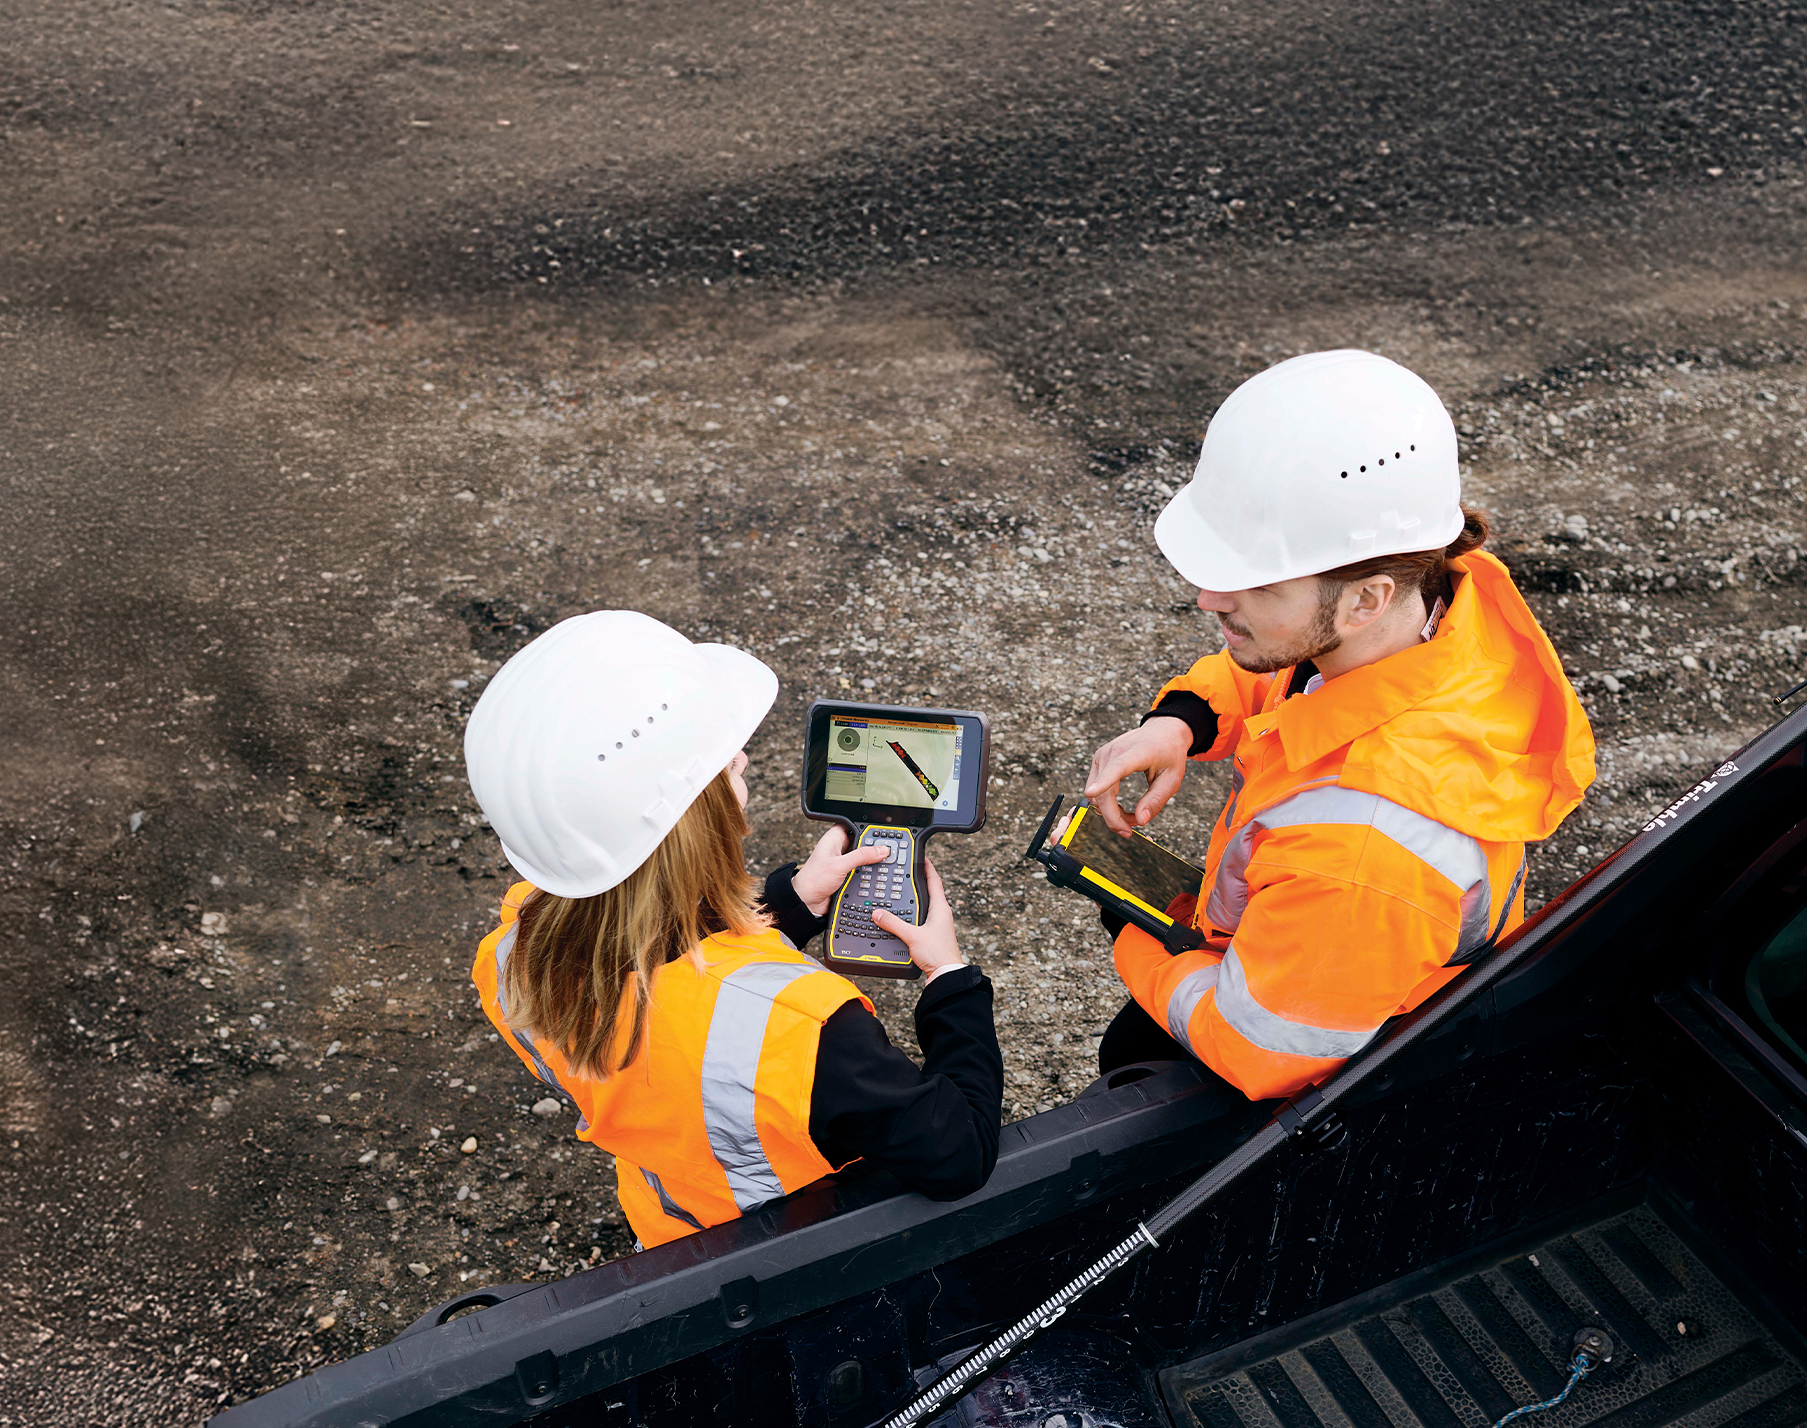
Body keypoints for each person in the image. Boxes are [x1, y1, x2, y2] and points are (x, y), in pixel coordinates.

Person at [1081, 350, 1597, 1101]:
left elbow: (1261, 1050)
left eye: (1256, 582)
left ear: (1366, 599)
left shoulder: (1364, 853)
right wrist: (1184, 722)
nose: (1208, 599)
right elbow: (1293, 685)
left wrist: (1142, 926)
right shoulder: (1428, 619)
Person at [463, 610, 1003, 1248]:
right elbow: (956, 1151)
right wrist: (950, 977)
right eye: (721, 763)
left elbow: (673, 968)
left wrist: (794, 902)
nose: (742, 757)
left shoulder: (509, 956)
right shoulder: (809, 1032)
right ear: (695, 817)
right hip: (786, 1249)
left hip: (669, 1227)